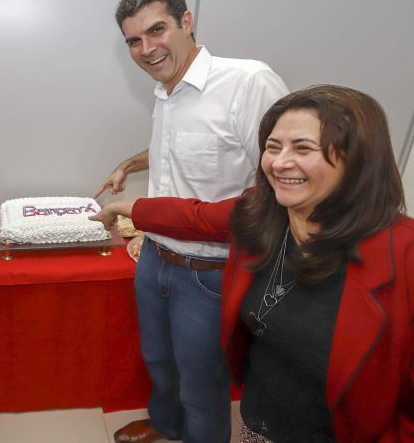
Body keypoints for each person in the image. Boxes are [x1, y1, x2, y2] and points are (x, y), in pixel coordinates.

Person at [92, 85, 414, 442]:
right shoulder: (265, 213)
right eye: (273, 147)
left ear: (359, 159)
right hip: (258, 425)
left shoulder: (404, 253)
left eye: (303, 148)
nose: (279, 162)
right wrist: (129, 209)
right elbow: (198, 217)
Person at [94, 0, 289, 443]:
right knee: (159, 361)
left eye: (156, 31)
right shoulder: (166, 89)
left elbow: (276, 189)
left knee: (202, 384)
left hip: (212, 272)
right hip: (154, 258)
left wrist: (138, 208)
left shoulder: (248, 83)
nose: (146, 49)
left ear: (187, 22)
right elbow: (181, 149)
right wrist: (129, 163)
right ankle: (166, 427)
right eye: (134, 41)